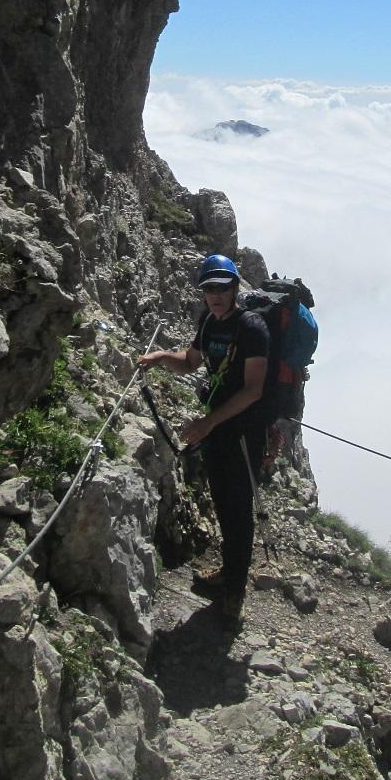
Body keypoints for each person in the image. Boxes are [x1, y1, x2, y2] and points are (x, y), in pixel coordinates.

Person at [138, 252, 269, 628]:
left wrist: (208, 423)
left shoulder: (253, 328)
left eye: (222, 288)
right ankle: (229, 572)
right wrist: (162, 357)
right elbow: (190, 362)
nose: (215, 295)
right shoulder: (209, 323)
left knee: (238, 510)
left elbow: (254, 390)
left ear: (235, 288)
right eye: (209, 288)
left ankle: (234, 593)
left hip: (243, 433)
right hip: (217, 429)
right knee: (224, 504)